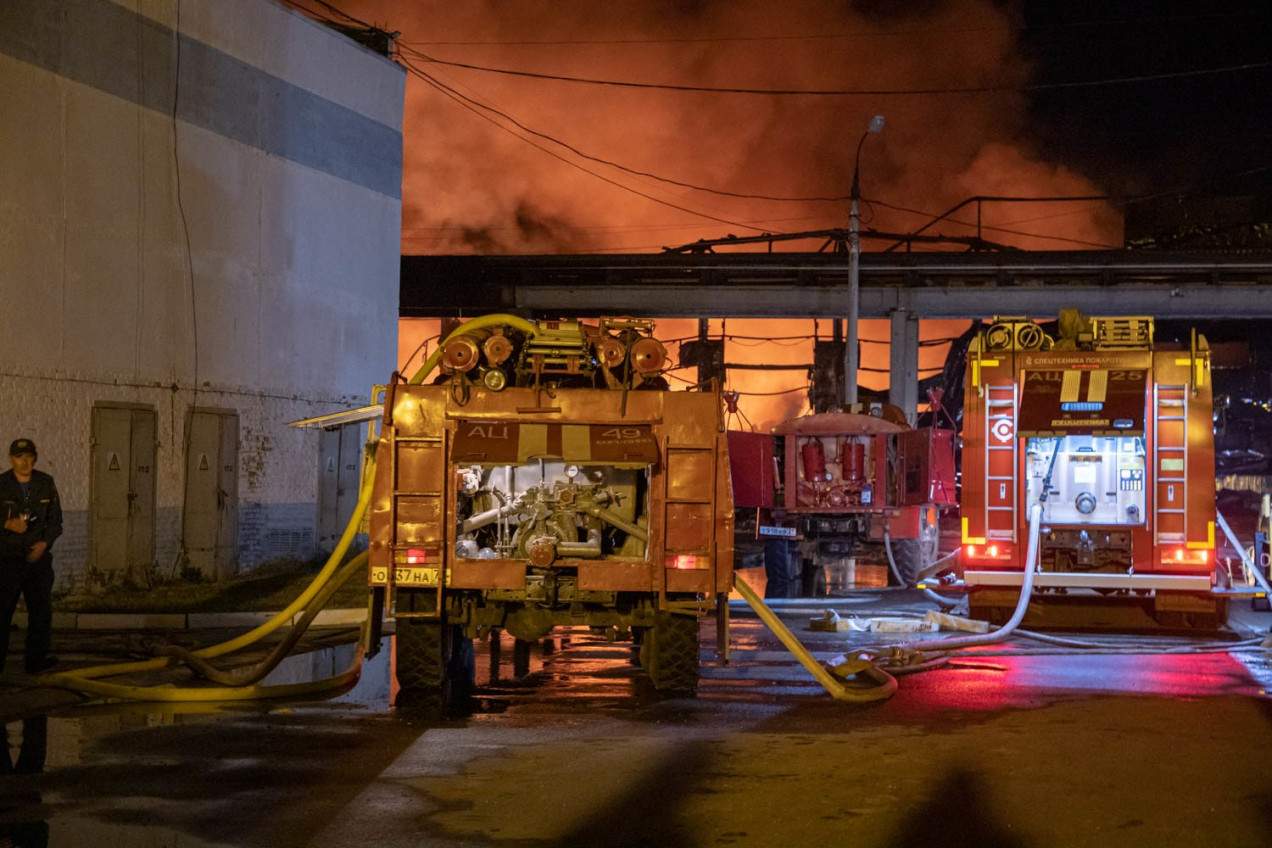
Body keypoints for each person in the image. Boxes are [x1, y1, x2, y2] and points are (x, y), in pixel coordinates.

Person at [0, 439, 62, 675]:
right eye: (19, 457)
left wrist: (44, 544)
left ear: (35, 458)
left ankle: (36, 662)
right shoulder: (2, 484)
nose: (24, 462)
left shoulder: (45, 483)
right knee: (2, 612)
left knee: (41, 613)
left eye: (28, 456)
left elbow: (55, 522)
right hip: (8, 559)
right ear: (11, 459)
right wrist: (7, 523)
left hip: (38, 561)